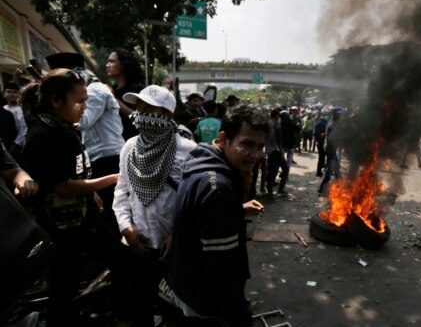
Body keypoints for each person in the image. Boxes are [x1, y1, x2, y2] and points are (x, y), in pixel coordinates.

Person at [22, 69, 119, 326]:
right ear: (56, 101)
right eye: (79, 102)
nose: (84, 107)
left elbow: (78, 170)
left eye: (86, 100)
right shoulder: (43, 136)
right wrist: (113, 179)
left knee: (114, 259)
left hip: (83, 215)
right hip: (62, 227)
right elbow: (63, 187)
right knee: (64, 283)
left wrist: (93, 193)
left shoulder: (64, 127)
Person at [169, 105, 268, 326]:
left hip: (186, 284)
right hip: (205, 300)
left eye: (260, 146)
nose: (255, 154)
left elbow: (199, 220)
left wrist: (237, 210)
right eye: (247, 144)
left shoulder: (201, 160)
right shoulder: (220, 191)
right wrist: (238, 315)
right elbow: (222, 270)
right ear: (223, 139)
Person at [112, 85, 197, 327]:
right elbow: (122, 191)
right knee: (140, 307)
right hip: (137, 244)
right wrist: (125, 228)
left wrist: (178, 234)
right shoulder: (129, 147)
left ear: (167, 115)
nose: (141, 114)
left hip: (173, 250)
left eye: (149, 109)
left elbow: (194, 202)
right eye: (139, 108)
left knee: (174, 310)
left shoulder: (189, 151)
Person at [106, 48, 145, 140]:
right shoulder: (111, 90)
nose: (107, 65)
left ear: (124, 65)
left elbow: (141, 119)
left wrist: (114, 100)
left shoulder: (138, 90)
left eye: (112, 62)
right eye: (107, 62)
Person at [318, 107, 343, 196]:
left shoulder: (336, 123)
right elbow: (330, 138)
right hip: (330, 149)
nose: (340, 115)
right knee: (330, 170)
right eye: (338, 114)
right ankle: (321, 189)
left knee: (336, 169)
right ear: (334, 114)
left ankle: (340, 188)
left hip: (332, 149)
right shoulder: (331, 124)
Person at [265, 109, 288, 197]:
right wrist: (282, 154)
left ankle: (269, 190)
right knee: (285, 169)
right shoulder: (277, 126)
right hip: (276, 151)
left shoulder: (267, 125)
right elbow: (279, 142)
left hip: (269, 151)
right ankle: (280, 189)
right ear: (277, 116)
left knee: (271, 171)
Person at [3, 81, 27, 160]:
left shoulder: (19, 110)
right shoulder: (3, 108)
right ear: (4, 94)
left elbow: (23, 131)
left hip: (14, 145)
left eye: (15, 92)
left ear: (18, 95)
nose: (11, 94)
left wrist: (15, 146)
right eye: (8, 92)